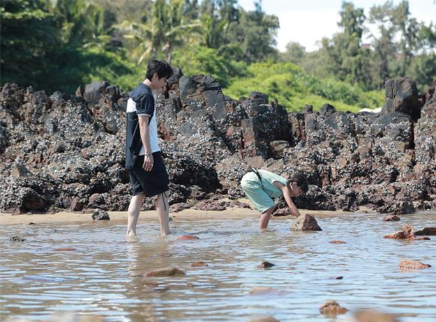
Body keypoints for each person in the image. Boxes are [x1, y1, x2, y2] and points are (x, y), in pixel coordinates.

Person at [125, 60, 173, 237]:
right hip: (146, 152)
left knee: (139, 193)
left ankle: (131, 233)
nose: (164, 84)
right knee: (163, 190)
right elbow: (143, 125)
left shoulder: (135, 93)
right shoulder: (146, 95)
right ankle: (165, 232)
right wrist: (149, 154)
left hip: (133, 152)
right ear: (155, 76)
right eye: (164, 79)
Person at [241, 168, 309, 229]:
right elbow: (291, 205)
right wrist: (302, 220)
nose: (297, 195)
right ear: (294, 184)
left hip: (250, 179)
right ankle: (263, 232)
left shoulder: (284, 185)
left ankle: (263, 229)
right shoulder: (284, 187)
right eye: (299, 191)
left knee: (269, 206)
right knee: (269, 207)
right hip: (251, 181)